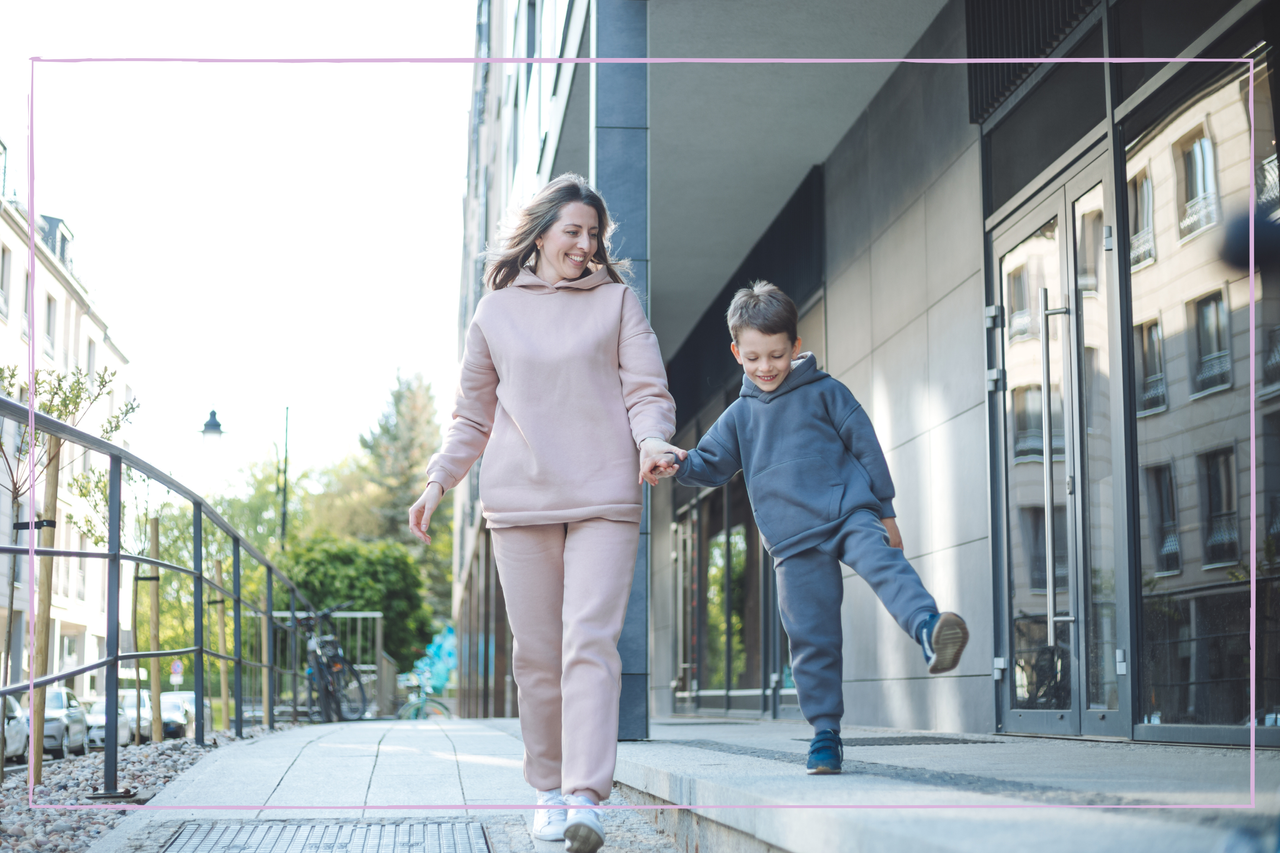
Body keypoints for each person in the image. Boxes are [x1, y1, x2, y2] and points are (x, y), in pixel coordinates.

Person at [408, 173, 680, 853]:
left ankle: (587, 796)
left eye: (594, 234)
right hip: (520, 501)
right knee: (536, 655)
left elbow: (647, 387)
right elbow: (472, 414)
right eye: (574, 232)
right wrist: (438, 482)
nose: (586, 245)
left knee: (589, 640)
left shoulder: (617, 302)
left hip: (605, 495)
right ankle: (548, 791)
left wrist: (651, 439)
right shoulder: (495, 312)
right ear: (540, 233)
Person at [645, 281, 968, 775]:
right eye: (753, 357)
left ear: (795, 346)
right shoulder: (740, 416)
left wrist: (886, 512)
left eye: (775, 354)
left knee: (888, 568)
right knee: (812, 637)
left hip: (849, 514)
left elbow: (867, 448)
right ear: (737, 352)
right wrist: (679, 464)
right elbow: (708, 464)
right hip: (792, 543)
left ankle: (928, 630)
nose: (766, 367)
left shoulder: (826, 392)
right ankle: (825, 735)